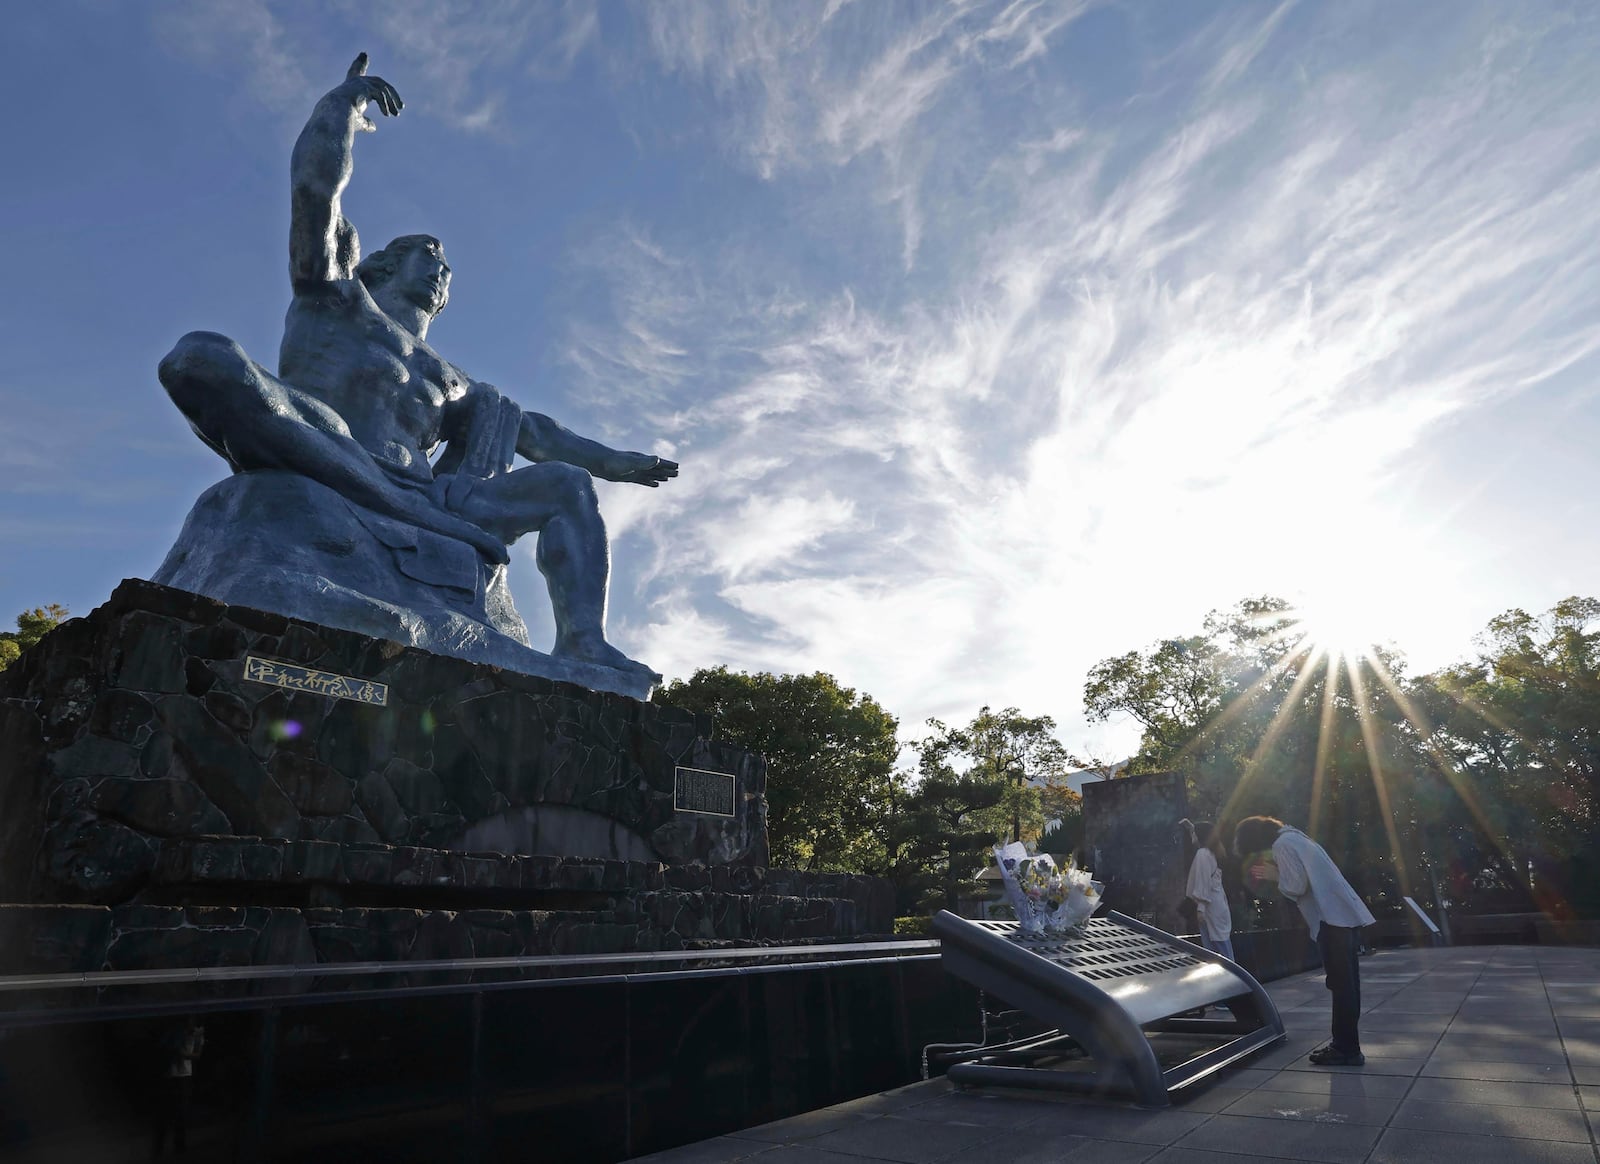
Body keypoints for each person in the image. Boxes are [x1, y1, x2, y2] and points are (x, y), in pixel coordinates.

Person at [158, 54, 676, 680]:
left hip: (429, 495)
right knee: (200, 358)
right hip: (328, 442)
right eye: (427, 253)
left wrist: (620, 463)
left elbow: (537, 435)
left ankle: (584, 644)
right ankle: (366, 491)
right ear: (380, 265)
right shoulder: (335, 298)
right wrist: (341, 108)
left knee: (565, 483)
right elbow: (314, 191)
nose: (441, 266)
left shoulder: (452, 380)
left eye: (447, 264)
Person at [1234, 815, 1376, 1067]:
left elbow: (1297, 886)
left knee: (1341, 987)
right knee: (1348, 987)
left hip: (1331, 920)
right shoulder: (1297, 838)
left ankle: (1346, 1049)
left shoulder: (1283, 845)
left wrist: (1274, 875)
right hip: (1342, 918)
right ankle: (1344, 1045)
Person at [1180, 819, 1234, 961]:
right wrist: (1193, 827)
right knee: (1222, 944)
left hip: (1209, 908)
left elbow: (1203, 883)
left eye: (1194, 834)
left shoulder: (1202, 854)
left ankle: (1230, 980)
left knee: (1215, 949)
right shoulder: (1212, 853)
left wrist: (1201, 909)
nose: (1192, 836)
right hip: (1218, 905)